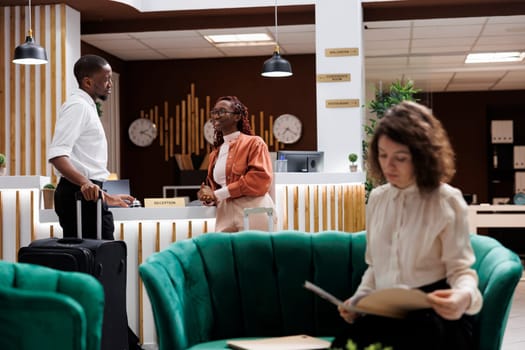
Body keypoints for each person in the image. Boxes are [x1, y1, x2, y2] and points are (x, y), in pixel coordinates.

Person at [334, 101, 483, 350]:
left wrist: (463, 296)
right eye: (383, 155)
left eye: (400, 158)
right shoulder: (378, 198)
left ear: (423, 156)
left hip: (433, 315)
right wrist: (359, 300)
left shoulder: (446, 199)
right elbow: (375, 267)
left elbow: (462, 272)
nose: (388, 166)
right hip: (386, 314)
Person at [48, 54, 134, 240]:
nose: (110, 84)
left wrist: (106, 196)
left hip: (89, 192)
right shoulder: (78, 106)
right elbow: (57, 154)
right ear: (87, 82)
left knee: (103, 257)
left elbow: (85, 162)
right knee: (93, 262)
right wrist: (85, 182)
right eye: (106, 79)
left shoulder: (87, 106)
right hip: (78, 195)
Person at [197, 96, 276, 232]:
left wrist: (217, 194)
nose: (216, 115)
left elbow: (259, 179)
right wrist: (208, 196)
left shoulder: (254, 143)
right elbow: (218, 188)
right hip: (224, 211)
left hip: (253, 208)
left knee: (255, 253)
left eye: (222, 111)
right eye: (214, 112)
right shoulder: (215, 153)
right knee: (224, 253)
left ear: (237, 117)